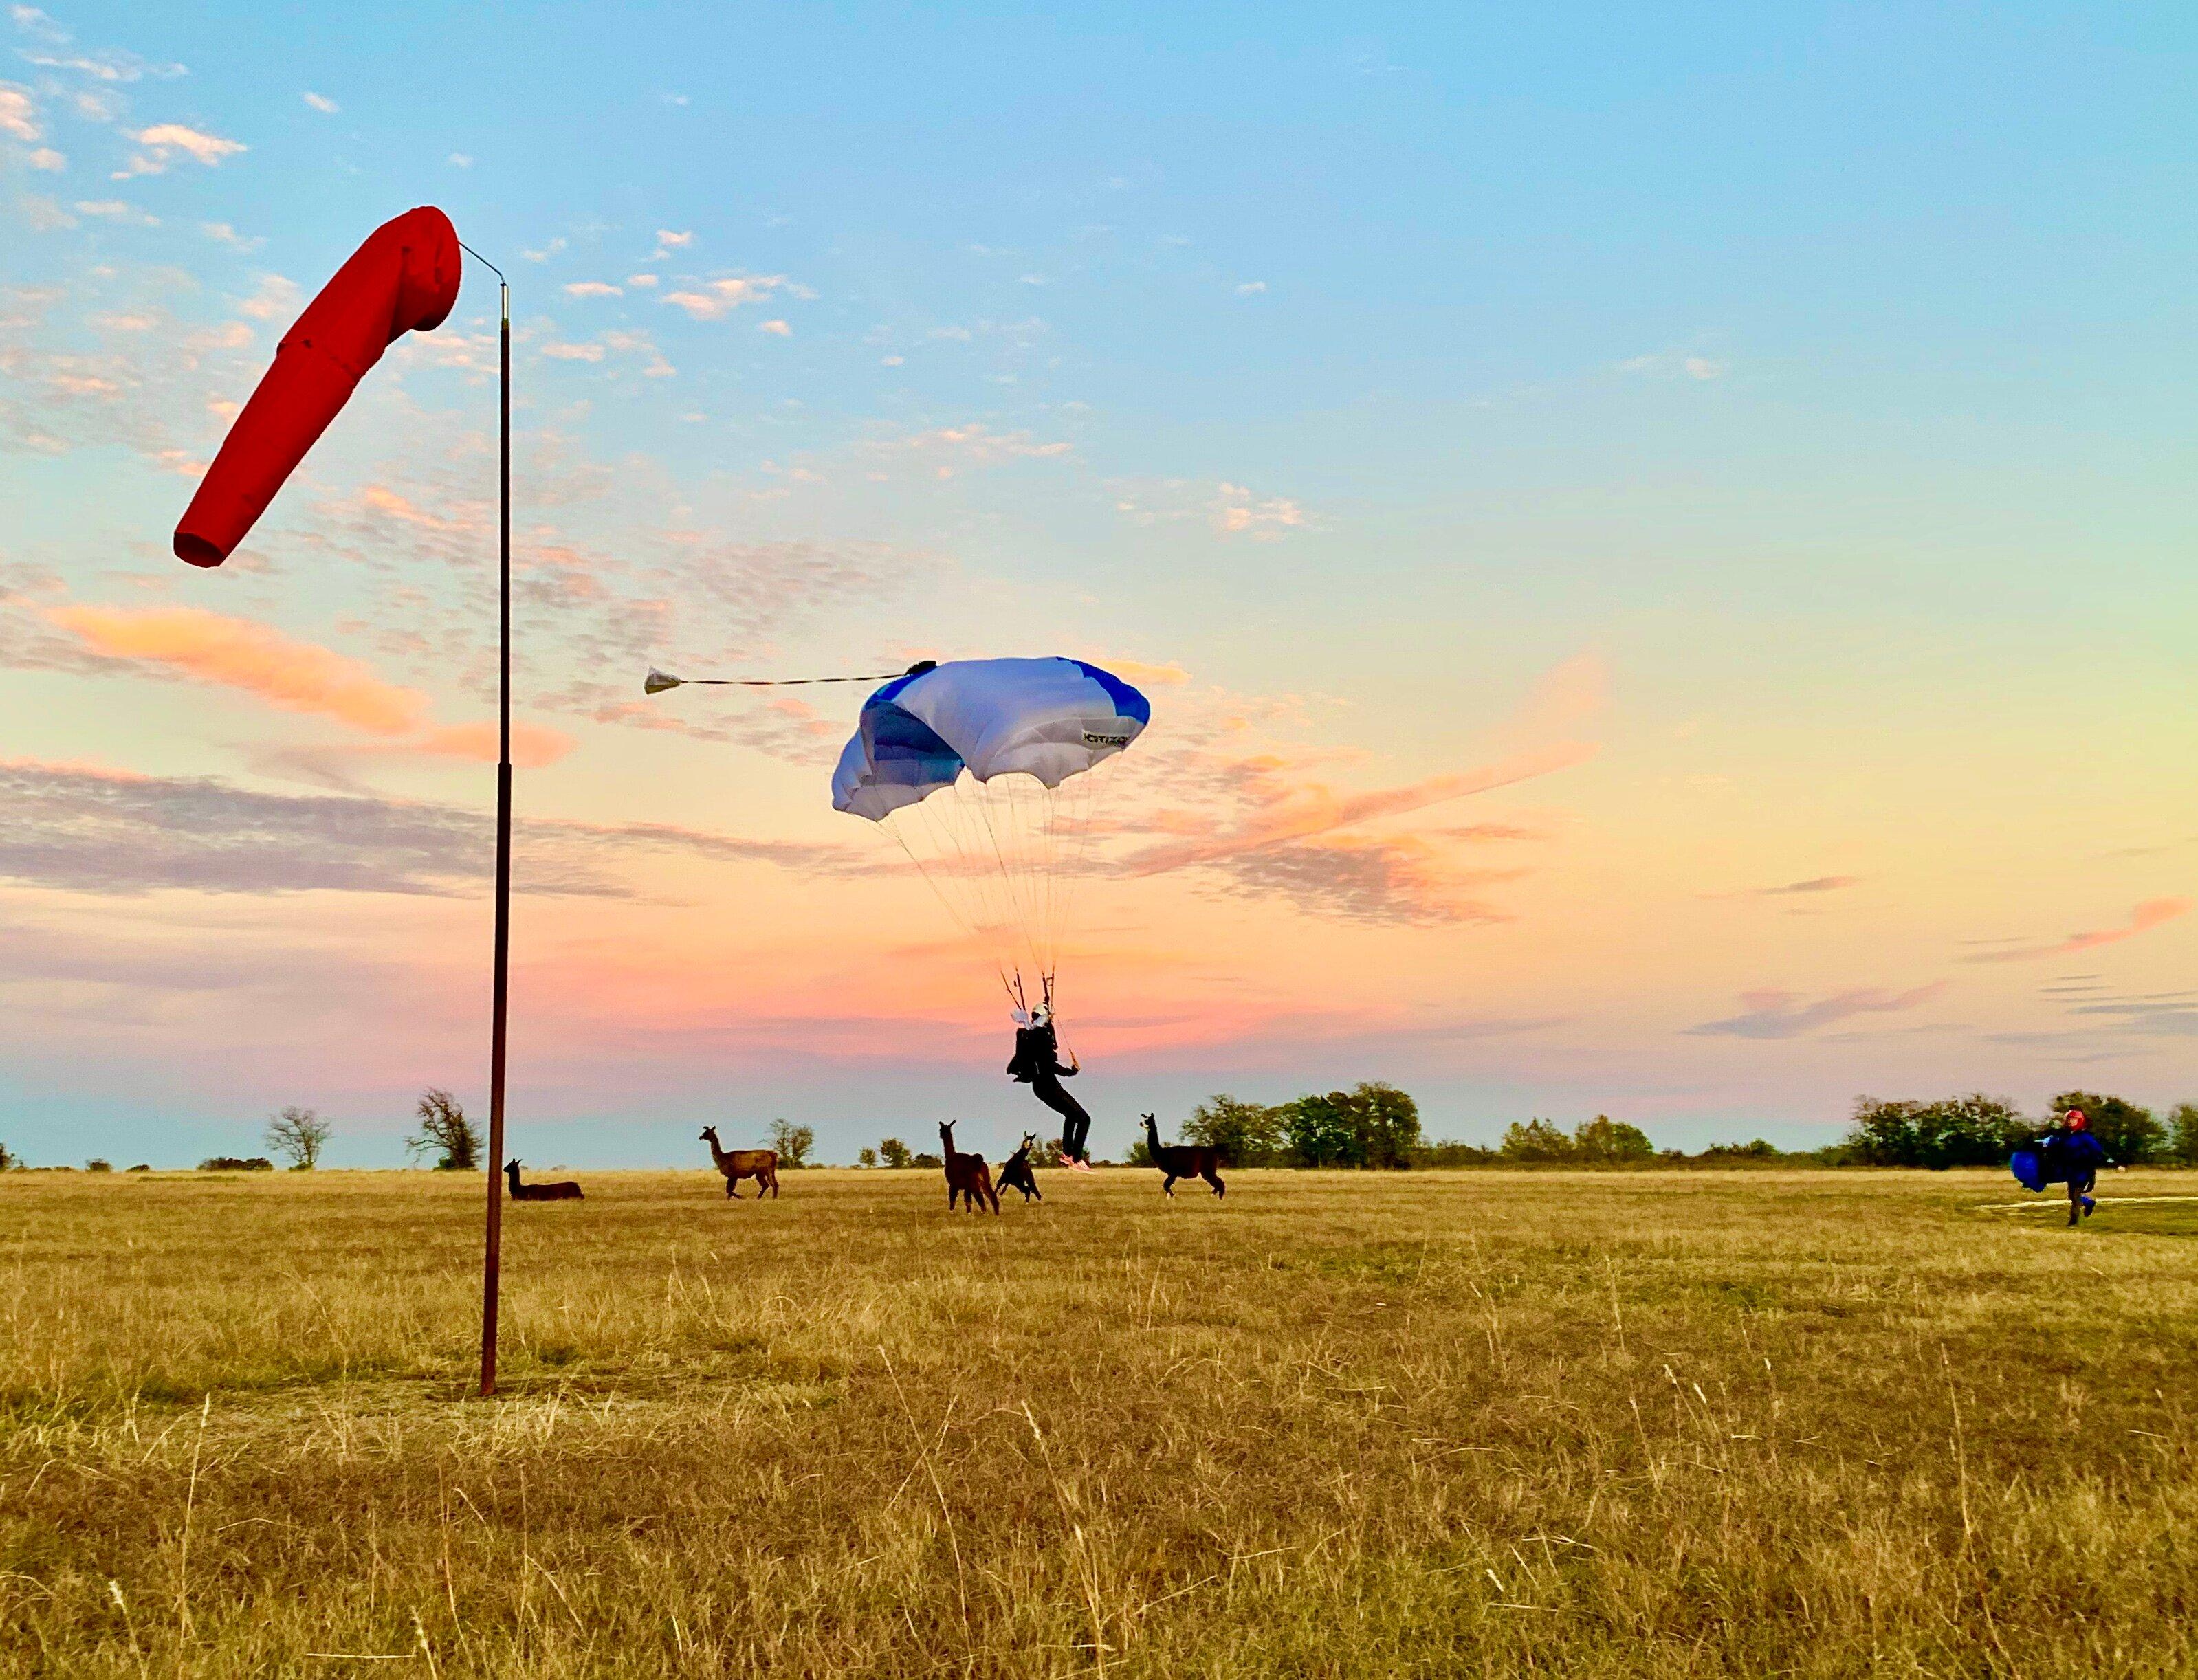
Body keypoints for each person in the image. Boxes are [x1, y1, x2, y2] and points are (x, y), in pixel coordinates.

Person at [1008, 1004, 1092, 1169]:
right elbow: (1049, 1065)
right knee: (1084, 1118)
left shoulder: (1032, 1037)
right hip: (1048, 1087)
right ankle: (1076, 1159)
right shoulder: (1039, 1038)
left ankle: (1068, 1155)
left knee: (1071, 1115)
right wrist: (1071, 1071)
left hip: (1042, 1088)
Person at [2039, 1107, 2108, 1227]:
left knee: (2076, 1196)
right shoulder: (2064, 1135)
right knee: (2072, 1195)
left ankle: (2073, 1222)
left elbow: (2099, 1151)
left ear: (2079, 1120)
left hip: (2084, 1171)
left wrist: (2114, 1164)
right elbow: (2051, 1143)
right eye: (2069, 1119)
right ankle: (2089, 1203)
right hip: (2071, 1171)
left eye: (2074, 1119)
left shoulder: (2085, 1137)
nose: (2071, 1121)